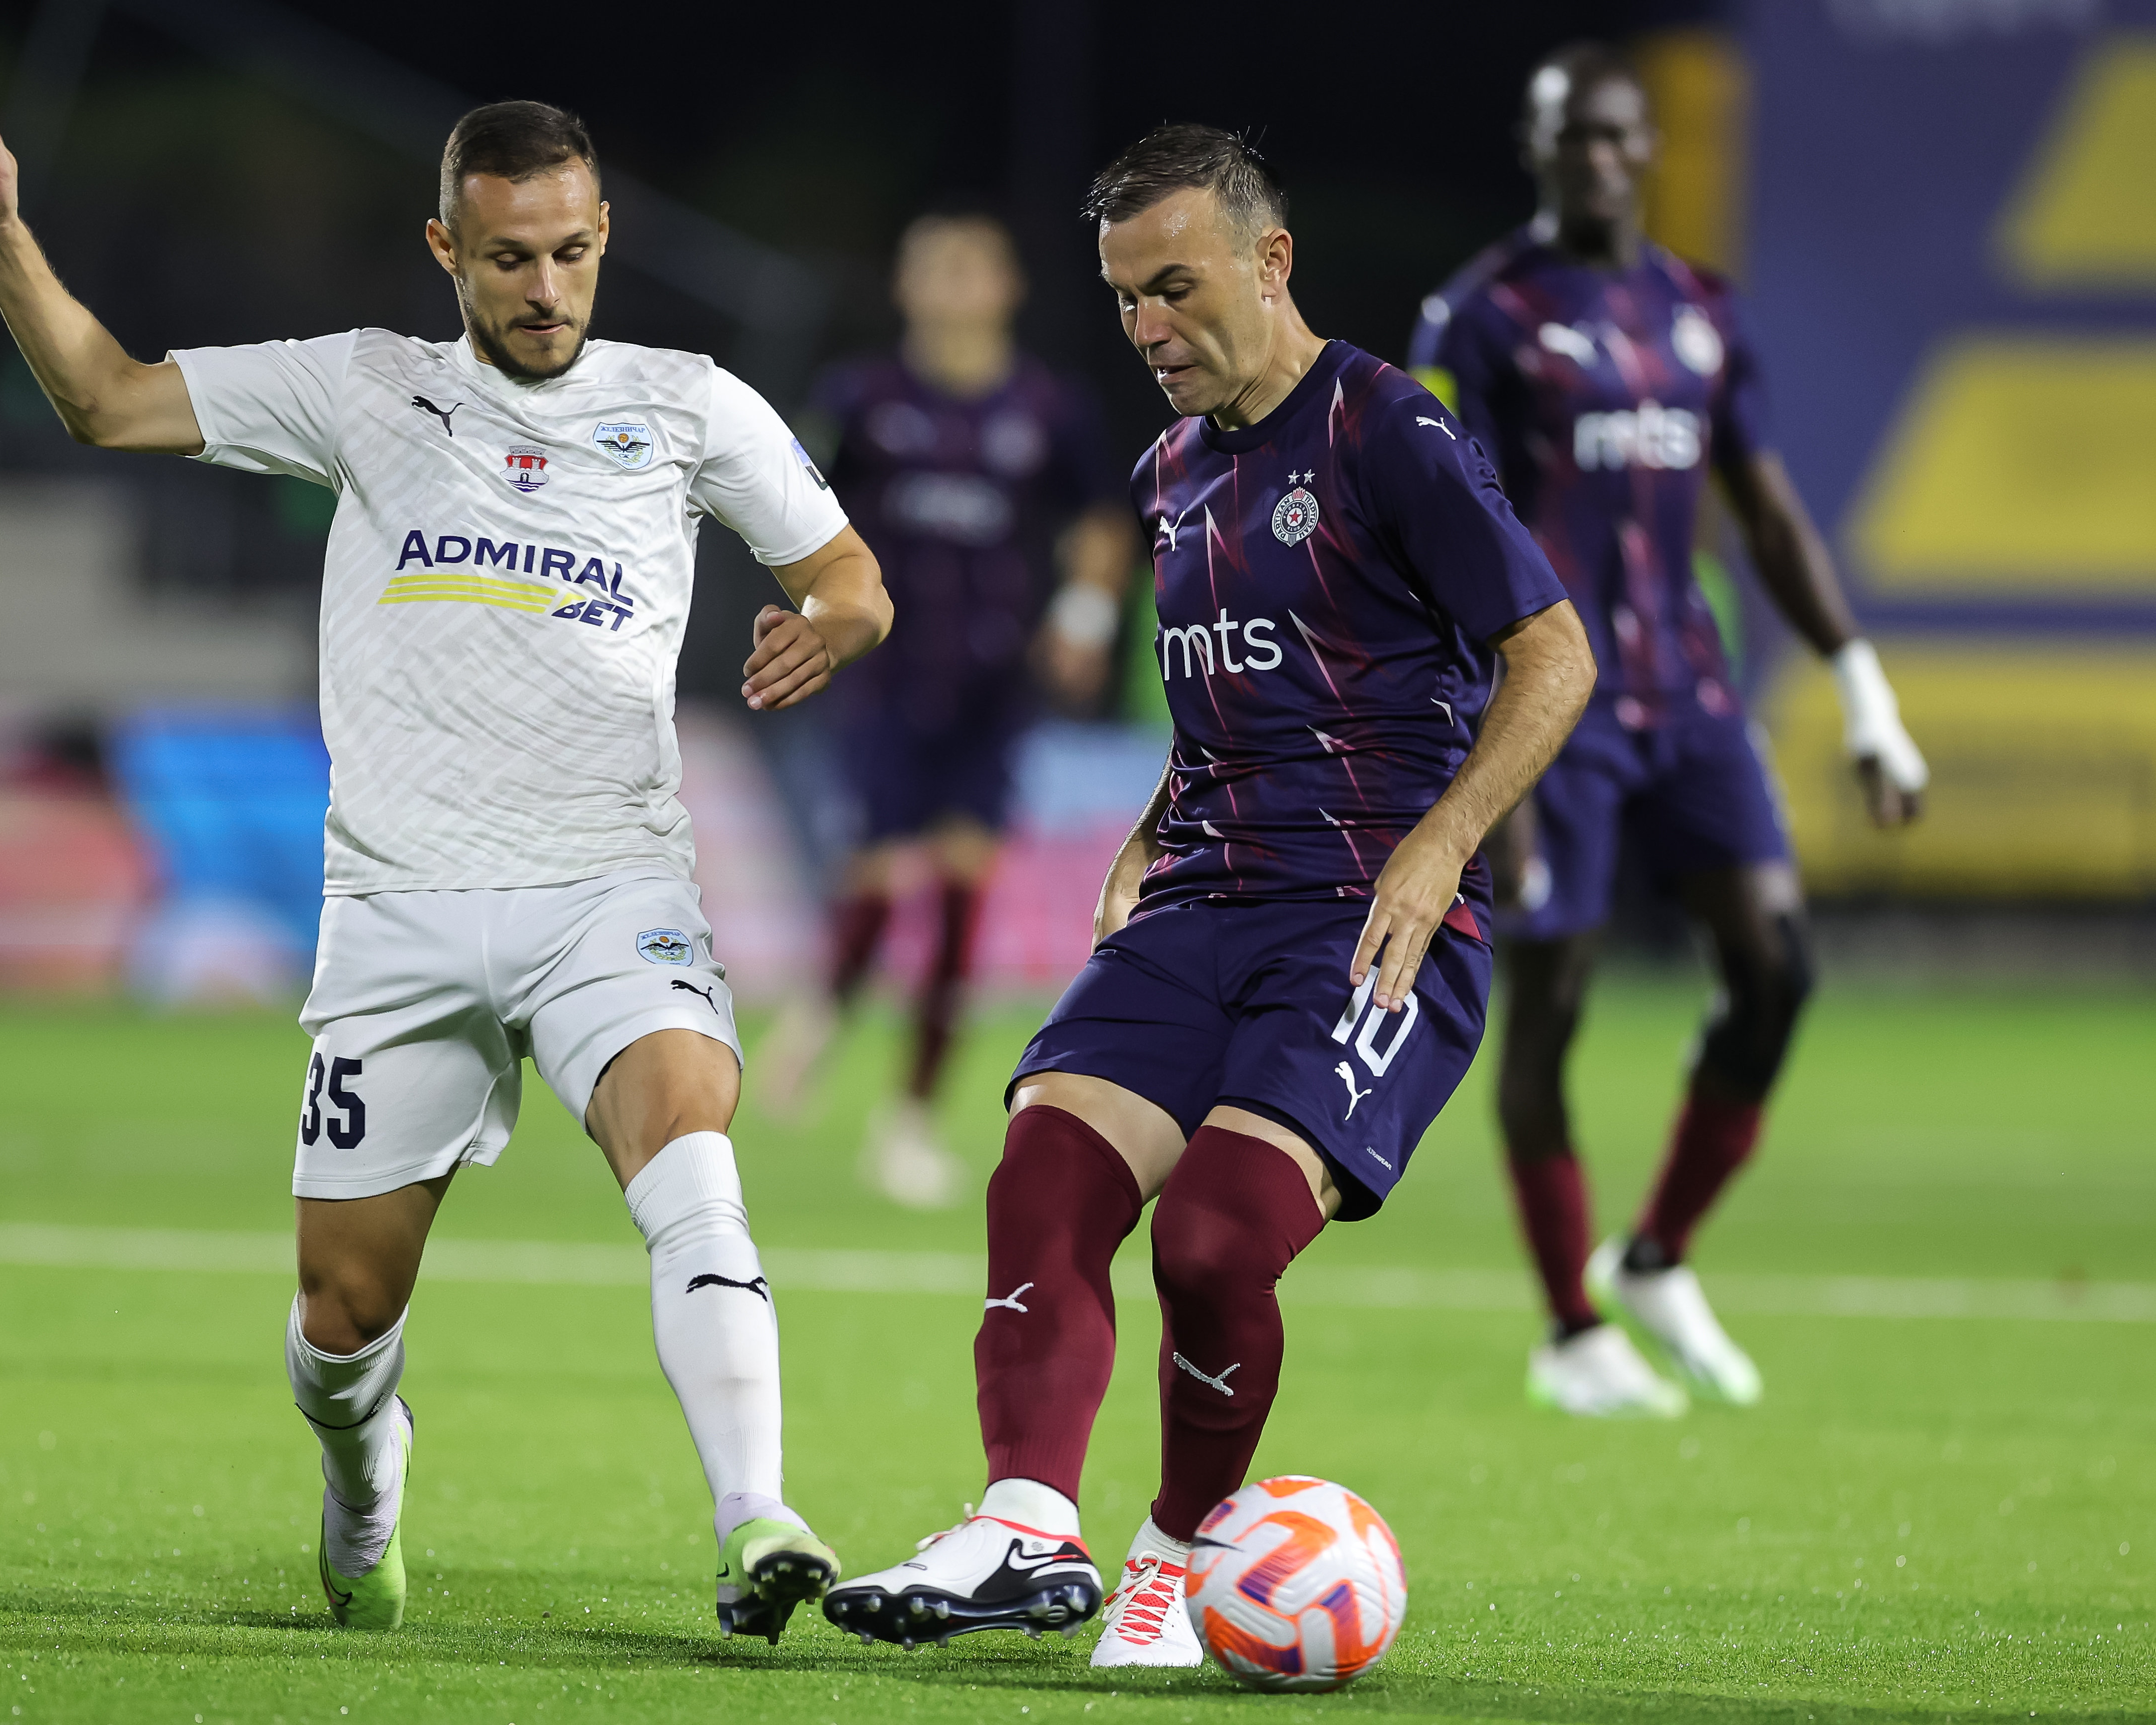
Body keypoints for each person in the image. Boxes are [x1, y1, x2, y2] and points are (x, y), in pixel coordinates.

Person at [0, 90, 892, 1639]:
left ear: (601, 239)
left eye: (571, 253)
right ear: (448, 246)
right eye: (509, 258)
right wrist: (1, 239)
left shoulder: (688, 402)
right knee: (339, 1319)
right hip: (400, 912)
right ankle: (366, 1480)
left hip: (608, 889)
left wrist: (823, 628)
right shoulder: (363, 389)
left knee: (692, 1165)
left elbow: (848, 577)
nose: (546, 289)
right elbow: (104, 399)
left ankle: (752, 1516)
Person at [823, 126, 1593, 1668]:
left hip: (1367, 922)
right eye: (1121, 299)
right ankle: (1023, 1521)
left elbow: (1550, 657)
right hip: (1200, 895)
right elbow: (1233, 699)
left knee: (1213, 1242)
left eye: (1173, 289)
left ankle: (1175, 1559)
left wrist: (1440, 848)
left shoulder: (1388, 431)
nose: (1146, 329)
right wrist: (1143, 830)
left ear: (1269, 260)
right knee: (1040, 1175)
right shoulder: (1165, 472)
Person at [1409, 44, 1927, 1420]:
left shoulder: (1702, 308)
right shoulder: (1477, 316)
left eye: (1616, 134)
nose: (1596, 154)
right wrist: (1477, 747)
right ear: (1535, 147)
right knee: (1552, 1000)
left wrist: (1862, 692)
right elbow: (1435, 528)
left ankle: (1653, 1258)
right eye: (1569, 133)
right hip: (1553, 709)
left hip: (1689, 693)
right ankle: (1570, 1331)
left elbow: (1762, 507)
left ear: (1645, 149)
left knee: (1773, 966)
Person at [758, 213, 1132, 1209]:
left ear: (1007, 287)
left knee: (966, 884)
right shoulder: (862, 398)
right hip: (885, 672)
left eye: (973, 269)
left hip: (994, 680)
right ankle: (825, 1009)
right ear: (906, 286)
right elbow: (791, 503)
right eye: (937, 269)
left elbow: (1102, 519)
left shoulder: (1050, 408)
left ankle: (909, 1123)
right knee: (879, 877)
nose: (956, 287)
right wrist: (815, 614)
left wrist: (1086, 619)